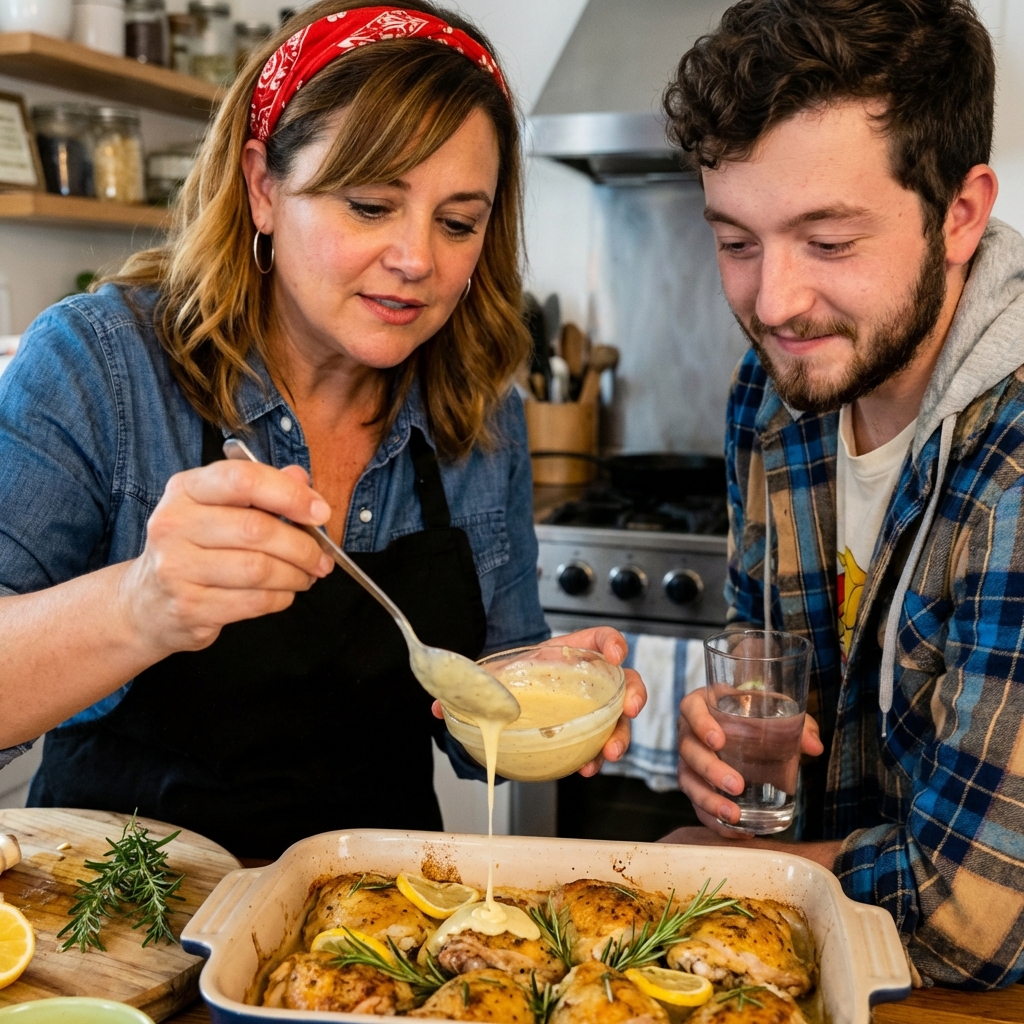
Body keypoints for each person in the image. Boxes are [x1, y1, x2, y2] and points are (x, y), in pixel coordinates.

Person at [0, 0, 645, 862]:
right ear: (263, 188)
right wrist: (140, 601)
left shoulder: (479, 406)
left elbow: (477, 721)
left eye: (458, 222)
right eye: (371, 206)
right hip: (127, 920)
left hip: (376, 916)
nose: (417, 260)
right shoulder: (99, 366)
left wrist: (551, 702)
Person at [663, 0, 1024, 990]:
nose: (773, 302)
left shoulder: (1013, 464)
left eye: (826, 242)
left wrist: (718, 870)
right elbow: (765, 666)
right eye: (737, 242)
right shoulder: (773, 393)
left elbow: (972, 919)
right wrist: (740, 755)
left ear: (959, 213)